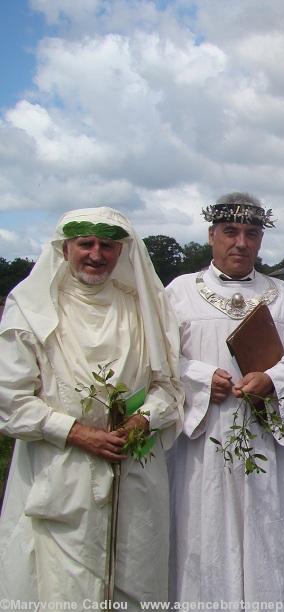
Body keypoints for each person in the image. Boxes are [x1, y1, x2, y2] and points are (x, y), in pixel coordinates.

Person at [0, 207, 183, 603]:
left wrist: (142, 421)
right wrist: (77, 433)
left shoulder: (142, 308)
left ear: (122, 252)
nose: (96, 254)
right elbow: (11, 403)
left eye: (108, 245)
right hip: (60, 475)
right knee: (62, 588)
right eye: (86, 243)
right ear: (65, 248)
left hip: (134, 470)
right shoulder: (31, 309)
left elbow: (169, 386)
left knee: (136, 584)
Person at [165, 193, 284, 602]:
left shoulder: (283, 295)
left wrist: (272, 378)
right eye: (230, 232)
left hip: (264, 439)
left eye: (252, 234)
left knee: (270, 530)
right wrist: (198, 378)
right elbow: (159, 359)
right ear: (212, 236)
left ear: (261, 240)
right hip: (204, 444)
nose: (241, 243)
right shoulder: (180, 293)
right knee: (204, 533)